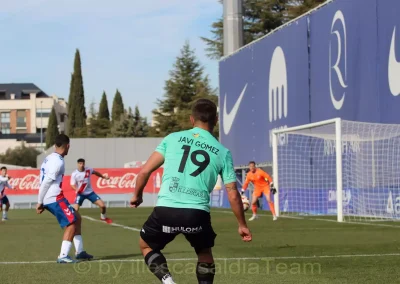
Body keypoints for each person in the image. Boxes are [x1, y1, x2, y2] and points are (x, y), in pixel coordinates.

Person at [130, 99, 252, 284]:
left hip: (166, 209)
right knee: (204, 252)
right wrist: (242, 224)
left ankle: (168, 281)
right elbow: (233, 193)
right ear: (216, 120)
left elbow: (144, 172)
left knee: (146, 245)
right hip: (197, 213)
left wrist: (137, 195)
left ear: (191, 120)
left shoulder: (172, 138)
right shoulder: (222, 151)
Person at [37, 134, 93, 263]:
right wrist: (39, 202)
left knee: (77, 218)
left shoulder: (50, 157)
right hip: (54, 198)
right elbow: (46, 182)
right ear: (67, 146)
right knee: (71, 223)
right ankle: (63, 255)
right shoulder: (58, 161)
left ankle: (80, 251)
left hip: (52, 197)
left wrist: (41, 201)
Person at [70, 158, 112, 224]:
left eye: (83, 163)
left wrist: (103, 177)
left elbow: (95, 173)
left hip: (90, 193)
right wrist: (76, 189)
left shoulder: (89, 169)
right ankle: (72, 222)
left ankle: (103, 217)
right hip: (80, 194)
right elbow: (72, 184)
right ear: (78, 164)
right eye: (80, 164)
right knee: (76, 209)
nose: (82, 165)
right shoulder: (74, 174)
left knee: (103, 206)